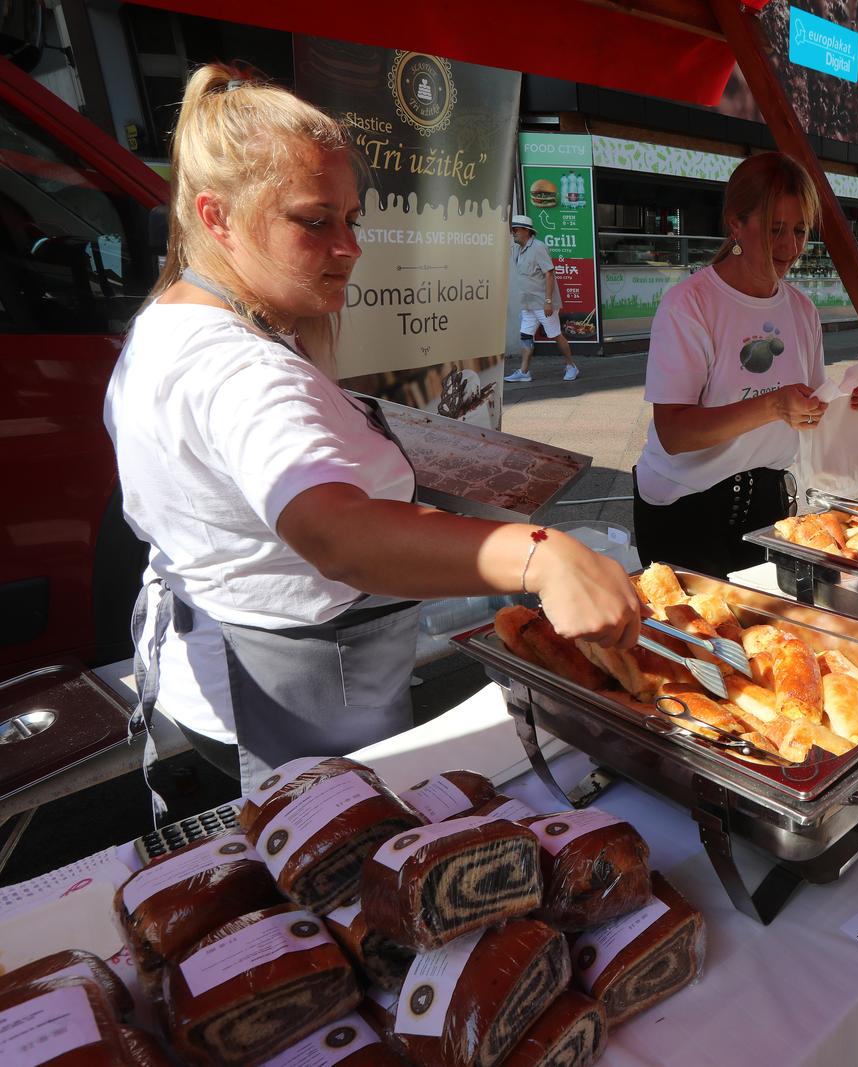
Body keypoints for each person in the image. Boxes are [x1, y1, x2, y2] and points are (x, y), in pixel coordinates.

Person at [104, 66, 640, 792]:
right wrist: (543, 556)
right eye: (314, 220)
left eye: (352, 219)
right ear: (217, 216)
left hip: (233, 662)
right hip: (297, 690)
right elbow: (337, 532)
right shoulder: (236, 368)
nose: (351, 247)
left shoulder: (180, 319)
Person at [632, 152, 858, 577]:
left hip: (766, 501)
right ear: (735, 224)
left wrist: (847, 399)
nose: (789, 247)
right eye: (774, 229)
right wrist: (770, 405)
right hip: (686, 506)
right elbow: (673, 432)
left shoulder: (801, 310)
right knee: (696, 635)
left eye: (800, 230)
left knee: (766, 636)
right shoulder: (690, 305)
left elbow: (810, 409)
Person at [506, 214, 579, 382]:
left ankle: (571, 366)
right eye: (512, 230)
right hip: (527, 303)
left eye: (515, 229)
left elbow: (549, 273)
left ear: (527, 231)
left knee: (555, 335)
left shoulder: (538, 247)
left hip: (542, 302)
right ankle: (524, 372)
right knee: (525, 335)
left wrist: (548, 301)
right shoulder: (516, 248)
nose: (513, 233)